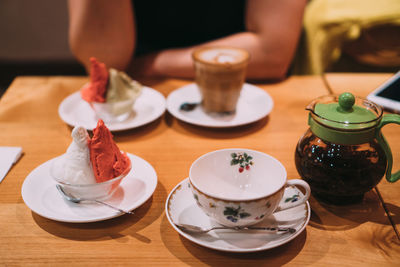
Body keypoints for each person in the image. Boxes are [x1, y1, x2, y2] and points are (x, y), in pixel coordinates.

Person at [68, 0, 307, 80]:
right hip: (130, 95)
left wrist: (151, 65)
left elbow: (272, 53)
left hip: (242, 84)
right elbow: (103, 63)